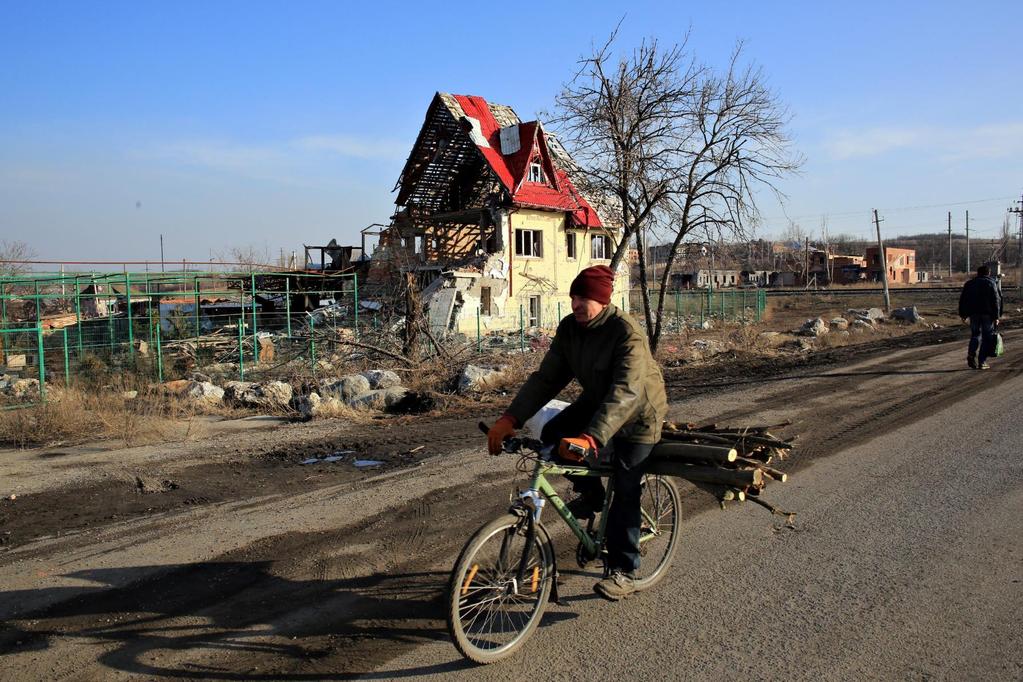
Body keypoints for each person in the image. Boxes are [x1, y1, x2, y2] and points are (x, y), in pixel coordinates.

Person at [486, 265, 667, 601]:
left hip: (639, 415)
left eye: (583, 297)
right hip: (598, 400)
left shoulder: (626, 332)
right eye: (573, 297)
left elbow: (626, 391)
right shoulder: (571, 328)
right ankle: (593, 493)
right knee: (554, 433)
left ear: (602, 299)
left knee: (626, 487)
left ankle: (624, 570)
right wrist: (511, 418)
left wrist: (593, 437)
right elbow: (547, 379)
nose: (576, 304)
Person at [958, 264, 1002, 370]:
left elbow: (963, 299)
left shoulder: (969, 284)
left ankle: (971, 355)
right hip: (988, 314)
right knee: (986, 337)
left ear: (978, 273)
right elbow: (996, 300)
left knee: (975, 334)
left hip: (973, 314)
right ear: (988, 273)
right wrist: (997, 316)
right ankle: (982, 362)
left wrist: (963, 314)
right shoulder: (991, 283)